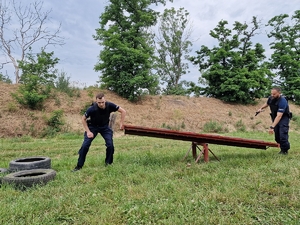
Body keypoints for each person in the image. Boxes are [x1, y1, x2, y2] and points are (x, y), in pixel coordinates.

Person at [73, 93, 126, 171]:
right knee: (85, 145)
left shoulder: (110, 105)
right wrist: (88, 131)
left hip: (104, 127)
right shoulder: (91, 109)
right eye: (99, 102)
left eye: (102, 102)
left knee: (110, 145)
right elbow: (83, 119)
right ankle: (79, 166)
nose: (101, 104)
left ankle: (108, 164)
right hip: (92, 127)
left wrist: (121, 123)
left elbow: (123, 111)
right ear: (96, 101)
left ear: (105, 100)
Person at [257, 87, 290, 155]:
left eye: (274, 94)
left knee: (282, 134)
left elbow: (279, 116)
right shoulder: (271, 98)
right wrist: (260, 108)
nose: (272, 95)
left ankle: (285, 150)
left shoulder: (283, 101)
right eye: (271, 93)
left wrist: (272, 127)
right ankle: (282, 147)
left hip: (283, 118)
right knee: (277, 135)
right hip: (275, 117)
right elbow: (267, 103)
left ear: (279, 93)